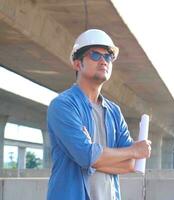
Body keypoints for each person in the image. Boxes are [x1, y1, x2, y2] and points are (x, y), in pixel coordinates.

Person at [46, 29, 151, 200]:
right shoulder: (63, 105)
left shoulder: (114, 112)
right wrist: (132, 150)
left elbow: (131, 164)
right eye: (95, 55)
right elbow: (86, 155)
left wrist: (94, 158)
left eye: (108, 57)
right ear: (77, 64)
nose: (103, 61)